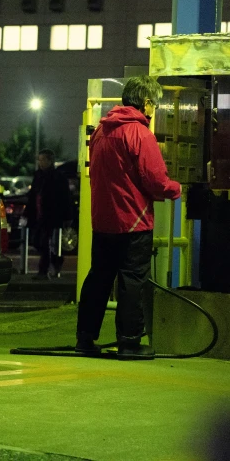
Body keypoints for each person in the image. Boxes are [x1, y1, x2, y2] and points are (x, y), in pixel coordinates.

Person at [76, 75, 181, 360]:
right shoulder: (139, 133)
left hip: (103, 222)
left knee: (99, 278)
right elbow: (155, 180)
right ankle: (130, 342)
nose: (154, 110)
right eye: (154, 105)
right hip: (133, 223)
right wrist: (177, 189)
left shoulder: (100, 131)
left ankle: (85, 338)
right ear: (146, 103)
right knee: (132, 281)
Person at [22, 148, 72, 281]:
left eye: (43, 160)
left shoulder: (58, 177)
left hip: (50, 214)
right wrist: (27, 212)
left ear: (50, 161)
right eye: (39, 160)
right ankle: (56, 259)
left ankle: (43, 271)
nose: (40, 162)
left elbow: (65, 197)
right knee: (36, 241)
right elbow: (33, 196)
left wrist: (67, 216)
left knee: (43, 242)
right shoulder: (38, 175)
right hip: (39, 214)